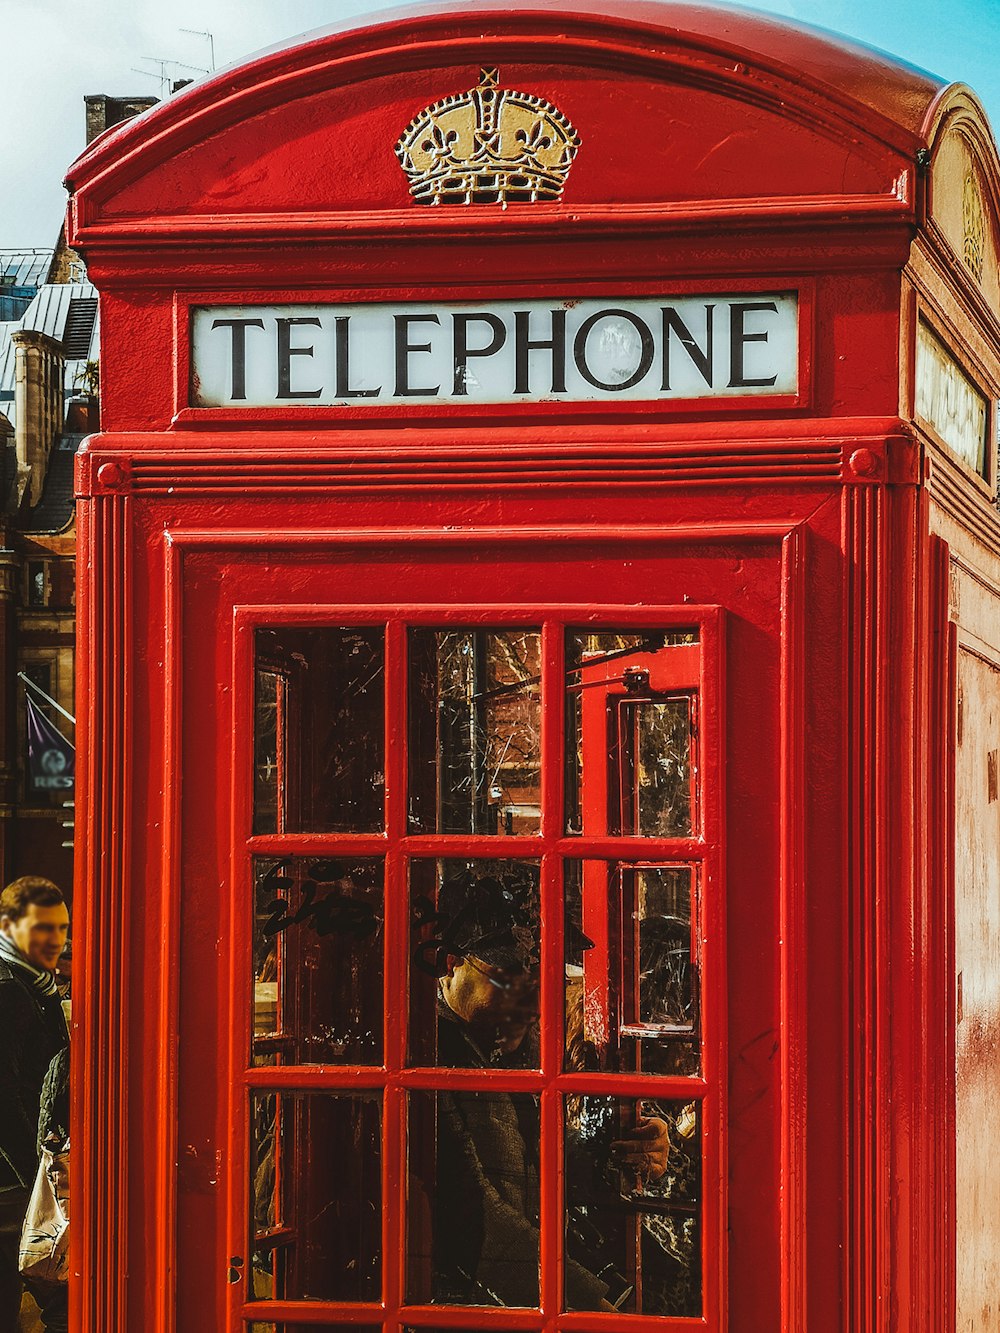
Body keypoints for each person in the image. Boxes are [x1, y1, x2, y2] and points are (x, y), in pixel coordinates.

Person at [422, 868, 669, 1310]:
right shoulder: (423, 1056)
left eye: (543, 965)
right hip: (465, 1302)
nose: (532, 989)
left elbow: (534, 1161)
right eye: (511, 971)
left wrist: (625, 1147)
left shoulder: (524, 1040)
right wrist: (589, 1306)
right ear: (450, 962)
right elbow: (474, 1214)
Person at [0, 878, 69, 1332]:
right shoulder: (8, 989)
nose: (56, 939)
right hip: (12, 1176)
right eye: (41, 927)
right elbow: (4, 1095)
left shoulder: (32, 984)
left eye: (62, 927)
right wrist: (39, 1173)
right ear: (8, 926)